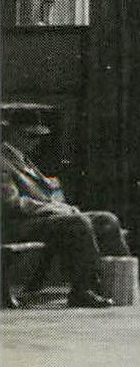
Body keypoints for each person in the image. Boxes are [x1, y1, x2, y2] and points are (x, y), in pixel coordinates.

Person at [1, 116, 130, 308]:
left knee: (106, 220)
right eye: (29, 136)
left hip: (40, 219)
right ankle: (83, 289)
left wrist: (60, 207)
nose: (34, 142)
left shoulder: (22, 159)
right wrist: (54, 208)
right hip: (15, 225)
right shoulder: (3, 161)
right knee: (77, 223)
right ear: (11, 135)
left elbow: (46, 193)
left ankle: (119, 282)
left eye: (37, 137)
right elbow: (10, 203)